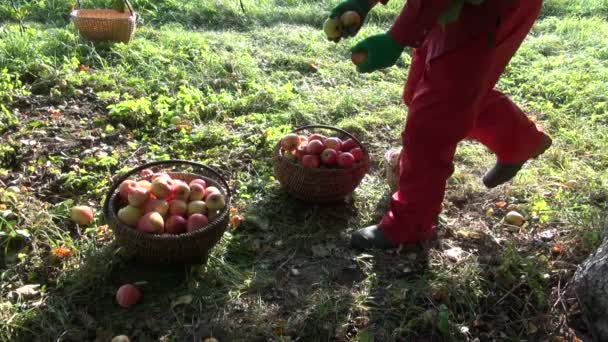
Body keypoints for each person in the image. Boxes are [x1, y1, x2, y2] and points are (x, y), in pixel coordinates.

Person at [327, 0, 553, 250]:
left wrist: (397, 37)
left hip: (486, 10)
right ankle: (518, 140)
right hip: (453, 11)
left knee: (432, 122)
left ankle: (410, 224)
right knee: (432, 93)